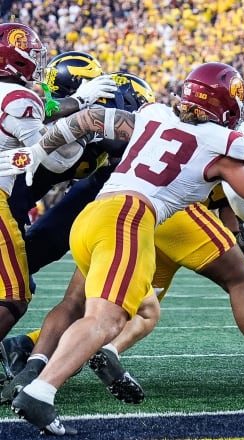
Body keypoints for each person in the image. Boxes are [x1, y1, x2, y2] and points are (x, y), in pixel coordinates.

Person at [0, 62, 244, 435]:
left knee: (134, 308)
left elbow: (89, 117)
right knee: (105, 319)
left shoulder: (153, 114)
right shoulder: (221, 146)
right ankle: (40, 391)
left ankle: (49, 371)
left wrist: (40, 149)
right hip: (129, 217)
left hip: (95, 217)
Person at [0, 24, 116, 354]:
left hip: (12, 203)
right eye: (31, 54)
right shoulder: (22, 100)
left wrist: (78, 103)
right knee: (14, 293)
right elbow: (44, 153)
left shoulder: (21, 99)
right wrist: (85, 123)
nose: (37, 62)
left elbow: (45, 108)